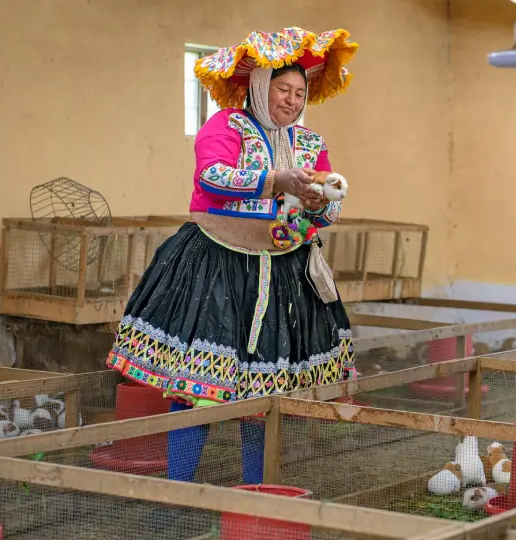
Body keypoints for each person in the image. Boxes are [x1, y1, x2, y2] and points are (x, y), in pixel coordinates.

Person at [105, 28, 359, 498]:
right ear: (259, 87)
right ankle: (178, 492)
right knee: (195, 384)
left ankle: (255, 496)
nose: (291, 100)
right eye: (283, 89)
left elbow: (328, 208)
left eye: (300, 93)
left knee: (263, 393)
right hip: (217, 267)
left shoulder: (309, 141)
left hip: (283, 273)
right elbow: (213, 176)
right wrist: (274, 180)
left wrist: (322, 199)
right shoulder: (224, 127)